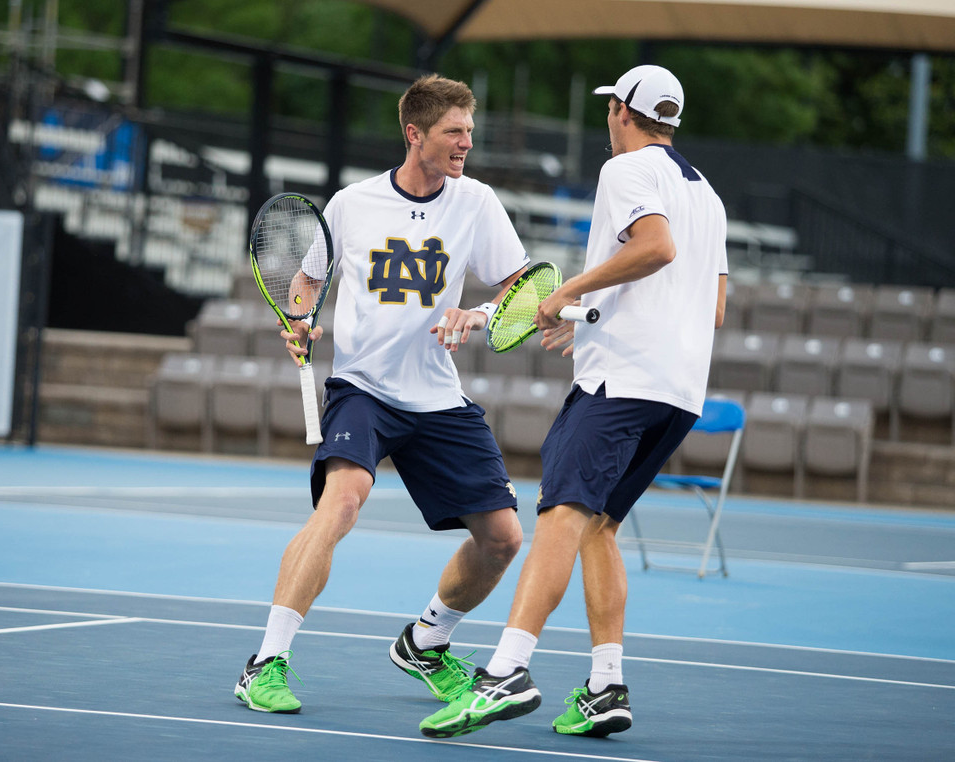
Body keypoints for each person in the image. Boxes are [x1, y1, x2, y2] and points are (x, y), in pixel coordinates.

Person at [419, 64, 729, 739]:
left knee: (561, 517)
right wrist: (588, 315)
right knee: (600, 529)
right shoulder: (706, 194)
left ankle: (505, 671)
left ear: (621, 109)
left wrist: (565, 294)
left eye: (610, 107)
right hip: (679, 392)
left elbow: (655, 248)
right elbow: (712, 307)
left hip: (621, 384)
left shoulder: (625, 171)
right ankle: (604, 687)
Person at [234, 74, 530, 714]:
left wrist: (475, 316)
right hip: (363, 388)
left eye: (470, 132)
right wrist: (301, 320)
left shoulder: (476, 203)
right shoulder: (350, 204)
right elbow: (307, 284)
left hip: (438, 396)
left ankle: (426, 641)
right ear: (414, 133)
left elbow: (522, 290)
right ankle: (266, 662)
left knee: (504, 537)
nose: (466, 144)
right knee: (341, 502)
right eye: (455, 132)